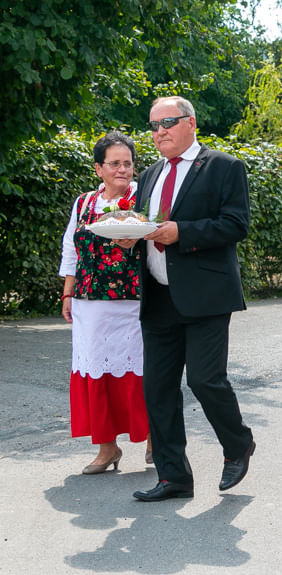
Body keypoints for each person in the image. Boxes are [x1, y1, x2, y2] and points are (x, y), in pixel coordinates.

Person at [130, 96, 255, 502]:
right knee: (158, 389)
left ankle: (237, 445)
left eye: (167, 122)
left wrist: (181, 232)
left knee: (205, 379)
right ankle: (174, 477)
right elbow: (143, 224)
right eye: (153, 125)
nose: (159, 131)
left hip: (206, 295)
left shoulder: (224, 167)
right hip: (158, 294)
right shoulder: (149, 175)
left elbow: (235, 224)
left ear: (191, 123)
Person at [59, 132, 150, 474]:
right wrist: (68, 292)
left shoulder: (145, 198)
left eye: (127, 163)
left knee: (141, 370)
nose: (122, 170)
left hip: (134, 300)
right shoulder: (84, 203)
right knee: (95, 369)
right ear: (99, 168)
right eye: (114, 163)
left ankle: (154, 437)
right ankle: (107, 447)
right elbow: (71, 248)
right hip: (89, 301)